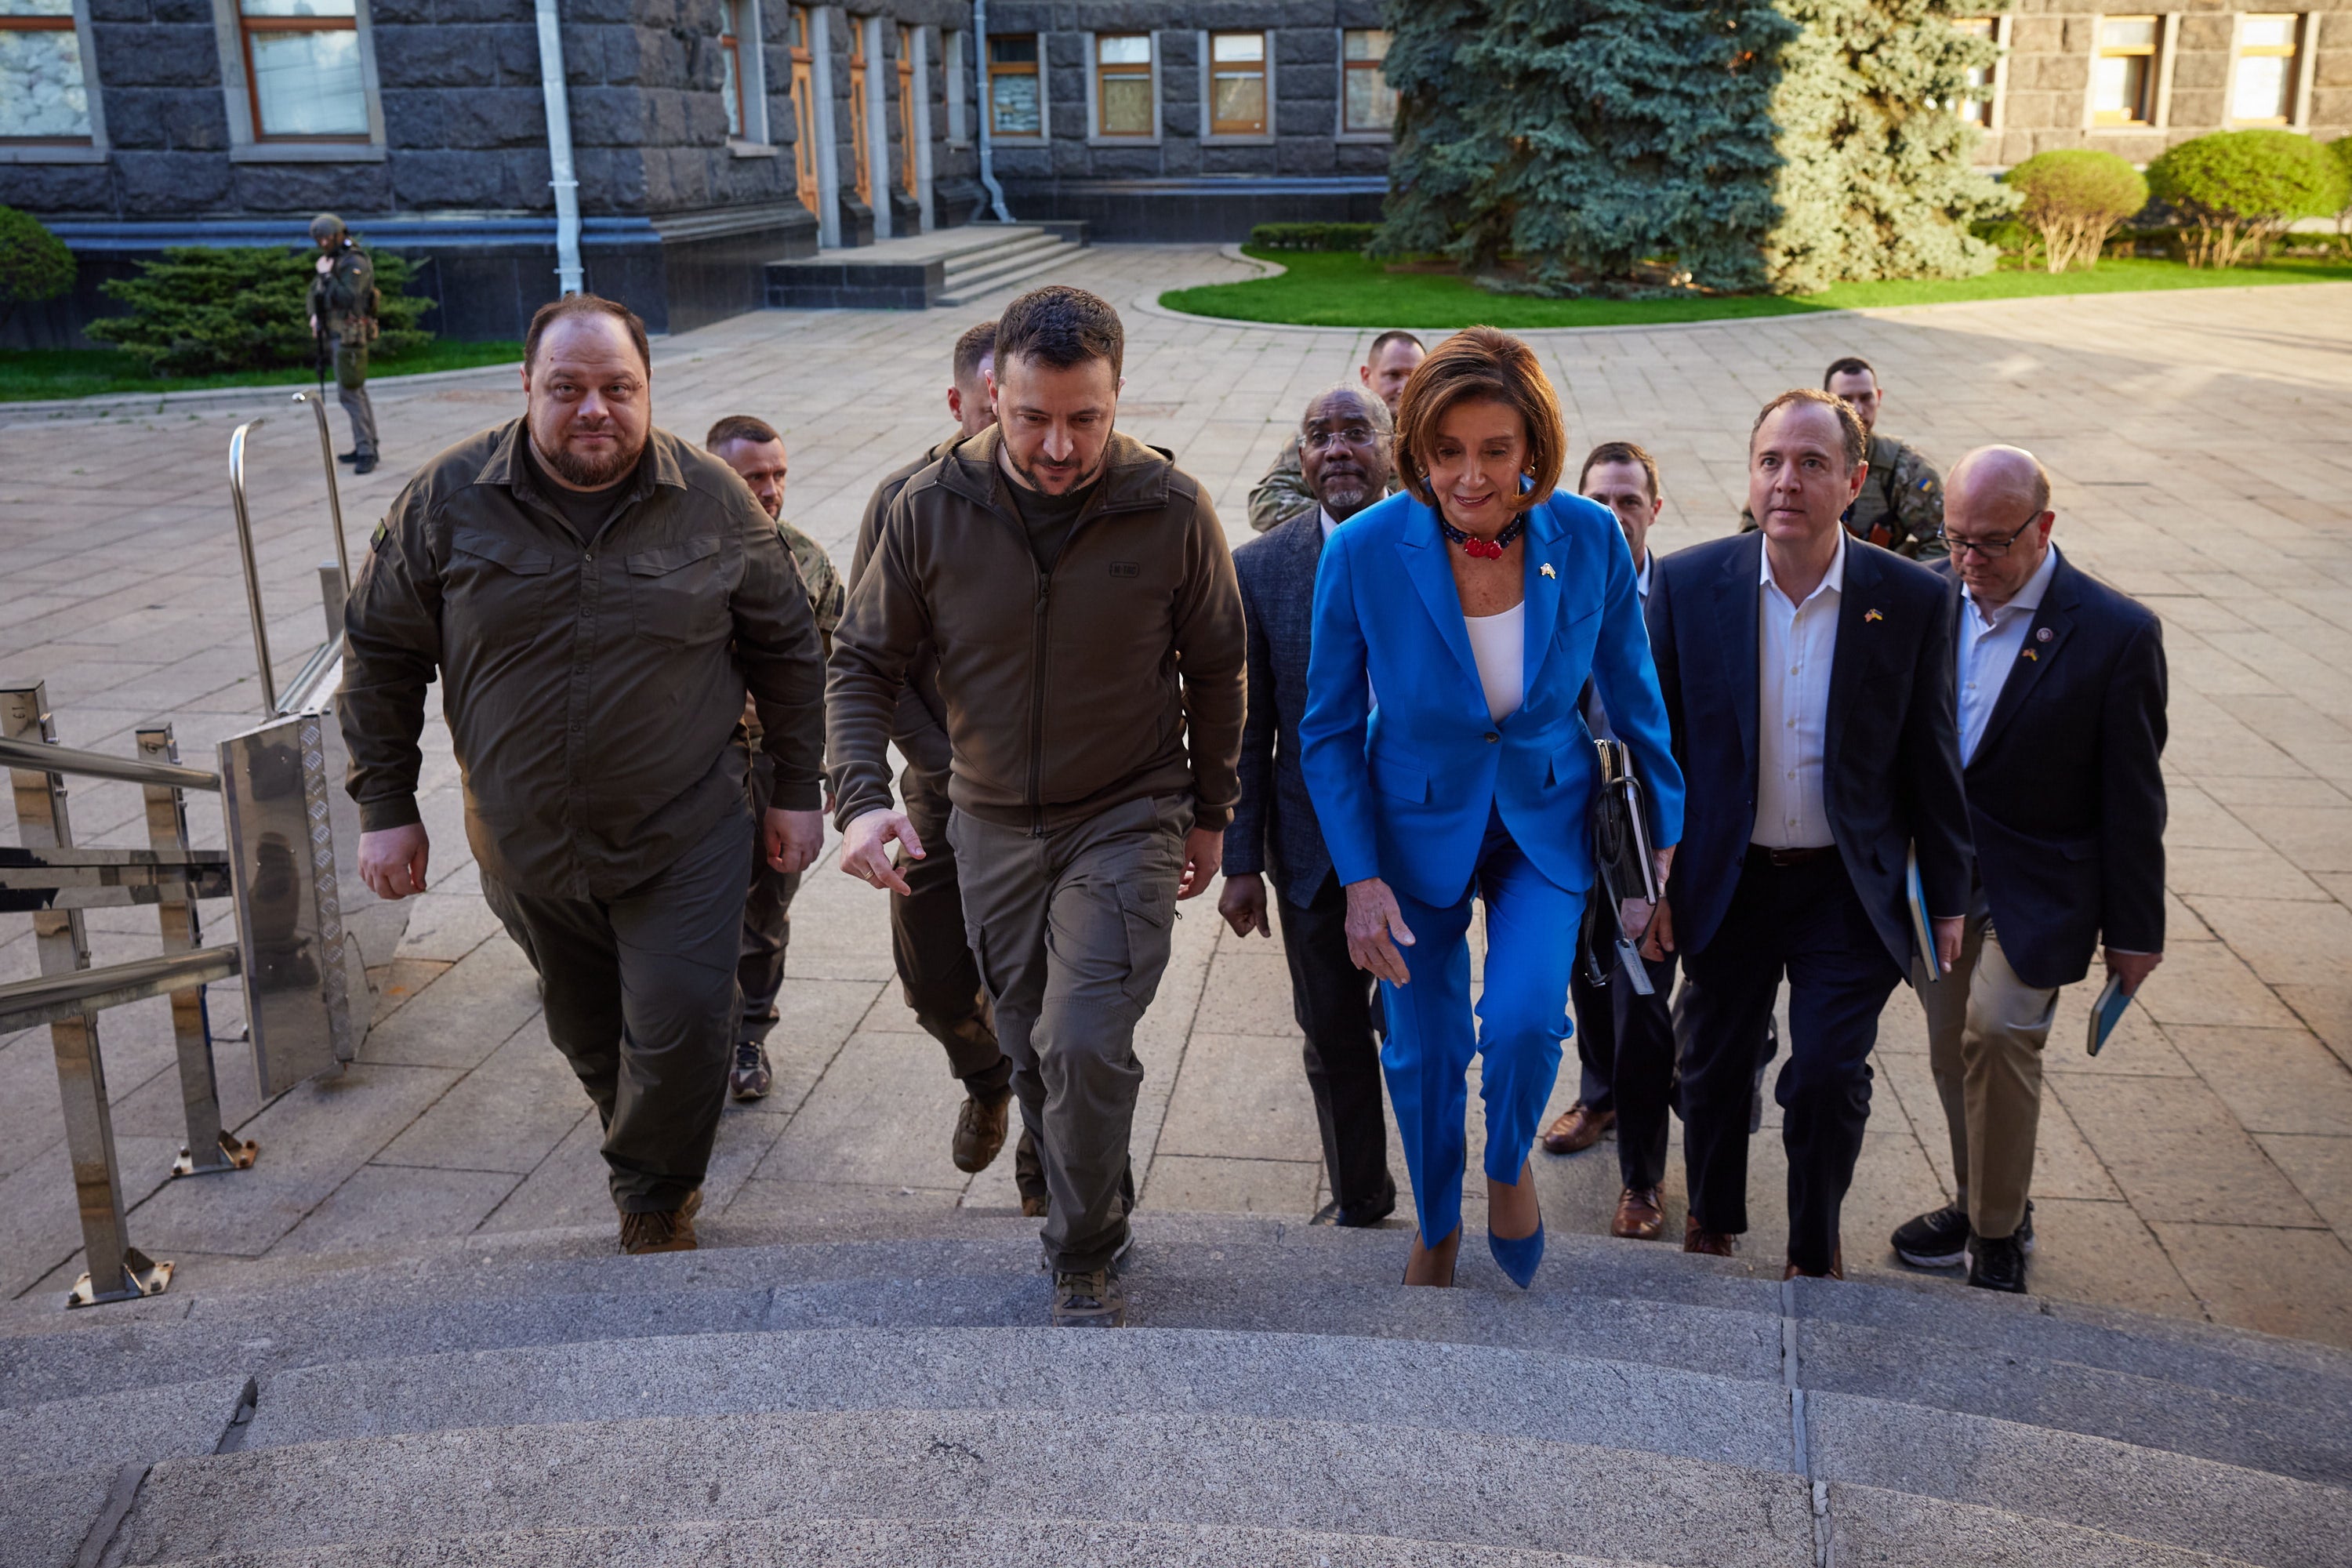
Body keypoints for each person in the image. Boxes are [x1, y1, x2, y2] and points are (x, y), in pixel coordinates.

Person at [340, 293, 828, 1255]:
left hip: (687, 826)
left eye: (619, 388)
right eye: (568, 388)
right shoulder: (448, 497)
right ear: (527, 387)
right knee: (586, 1021)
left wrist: (798, 789)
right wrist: (387, 806)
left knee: (688, 1014)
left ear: (649, 390)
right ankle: (640, 1129)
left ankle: (655, 1194)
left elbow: (789, 649)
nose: (594, 409)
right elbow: (382, 651)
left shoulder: (715, 500)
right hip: (524, 835)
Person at [829, 285, 1245, 1327]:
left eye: (1085, 418)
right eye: (1032, 418)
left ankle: (1086, 1244)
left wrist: (1211, 813)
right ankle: (1091, 1173)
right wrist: (861, 801)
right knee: (1027, 1044)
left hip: (1129, 809)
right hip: (991, 826)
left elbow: (1219, 669)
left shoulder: (1172, 509)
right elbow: (860, 664)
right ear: (990, 396)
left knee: (1083, 1038)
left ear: (1116, 398)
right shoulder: (927, 509)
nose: (1059, 445)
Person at [1298, 328, 1682, 1290]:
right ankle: (1436, 1216)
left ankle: (1508, 1162)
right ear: (1418, 451)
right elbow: (1329, 731)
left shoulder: (1591, 537)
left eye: (1495, 451)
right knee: (1426, 1053)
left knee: (1520, 1025)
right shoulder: (1360, 551)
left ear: (1534, 448)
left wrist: (1660, 847)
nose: (1470, 476)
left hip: (1543, 821)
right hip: (1408, 828)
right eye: (1447, 452)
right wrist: (1359, 880)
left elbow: (1635, 700)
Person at [1646, 387, 1969, 1279]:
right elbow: (1654, 747)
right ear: (1750, 474)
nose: (1788, 481)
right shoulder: (1686, 584)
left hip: (1845, 886)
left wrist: (1947, 893)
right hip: (1728, 876)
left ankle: (1812, 1241)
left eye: (1813, 463)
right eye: (1771, 461)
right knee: (1709, 1067)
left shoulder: (1910, 597)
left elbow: (1932, 752)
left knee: (1827, 1073)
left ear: (1855, 479)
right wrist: (1652, 882)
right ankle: (1711, 1214)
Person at [1889, 445, 2166, 1293]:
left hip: (2042, 880)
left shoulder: (2117, 633)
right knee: (1948, 1049)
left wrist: (2136, 931)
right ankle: (1983, 1199)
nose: (1970, 562)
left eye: (1993, 544)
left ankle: (1998, 1234)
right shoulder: (1923, 593)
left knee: (2000, 1029)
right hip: (1938, 875)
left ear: (2043, 528)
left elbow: (2134, 795)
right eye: (1957, 539)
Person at [845, 320, 1036, 1195]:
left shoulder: (1067, 484)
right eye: (991, 401)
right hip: (940, 786)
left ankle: (1052, 1138)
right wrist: (941, 767)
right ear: (959, 402)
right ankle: (985, 1078)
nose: (1013, 422)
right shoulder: (902, 499)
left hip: (1053, 799)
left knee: (1059, 987)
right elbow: (870, 658)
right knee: (932, 981)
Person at [1219, 383, 1401, 1230]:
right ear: (1300, 460)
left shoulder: (1438, 548)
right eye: (1320, 435)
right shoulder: (1260, 569)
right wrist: (1240, 859)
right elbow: (1249, 728)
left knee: (1424, 1031)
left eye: (1356, 431)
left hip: (1420, 838)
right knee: (1330, 1034)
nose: (1338, 448)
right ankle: (1362, 1193)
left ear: (1391, 446)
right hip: (1309, 846)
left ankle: (1444, 1183)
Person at [1542, 440, 1682, 1243]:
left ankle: (1643, 1178)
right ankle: (1597, 1094)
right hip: (1563, 835)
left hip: (1648, 847)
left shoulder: (1684, 598)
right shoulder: (1556, 588)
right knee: (1584, 980)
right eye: (1599, 499)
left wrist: (1672, 853)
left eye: (1628, 501)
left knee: (1644, 1009)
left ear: (1654, 509)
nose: (1613, 515)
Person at [705, 414, 846, 1102]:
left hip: (770, 762)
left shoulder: (807, 560)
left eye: (778, 474)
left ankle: (748, 1038)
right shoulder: (674, 556)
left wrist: (825, 771)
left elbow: (842, 671)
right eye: (751, 476)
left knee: (763, 910)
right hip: (689, 765)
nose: (769, 490)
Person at [1737, 357, 1944, 560]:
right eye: (1846, 400)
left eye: (1866, 398)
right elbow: (1752, 530)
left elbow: (1944, 542)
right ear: (1827, 400)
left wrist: (1898, 578)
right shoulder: (1787, 468)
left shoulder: (1905, 469)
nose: (1858, 409)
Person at [1248, 329, 1426, 532]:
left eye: (1414, 376)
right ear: (1366, 376)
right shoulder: (1322, 436)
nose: (1403, 387)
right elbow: (1264, 504)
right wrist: (1337, 517)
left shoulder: (1435, 440)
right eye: (1393, 376)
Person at [306, 212, 380, 476]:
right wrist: (315, 315)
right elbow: (315, 292)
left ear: (339, 235)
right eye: (319, 239)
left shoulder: (354, 261)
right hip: (337, 334)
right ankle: (368, 444)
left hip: (351, 335)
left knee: (350, 391)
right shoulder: (335, 260)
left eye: (327, 237)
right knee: (355, 390)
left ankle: (367, 451)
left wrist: (326, 276)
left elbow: (348, 296)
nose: (323, 243)